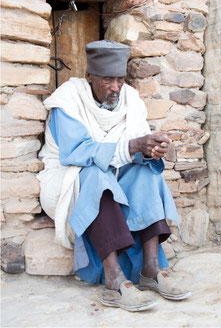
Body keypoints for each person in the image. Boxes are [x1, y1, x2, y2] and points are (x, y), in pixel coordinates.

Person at [37, 40, 191, 312]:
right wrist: (133, 147)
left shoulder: (130, 98)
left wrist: (151, 148)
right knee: (98, 177)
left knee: (146, 173)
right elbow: (76, 153)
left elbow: (136, 146)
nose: (115, 88)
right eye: (107, 80)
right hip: (68, 178)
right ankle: (113, 280)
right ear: (89, 77)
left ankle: (151, 270)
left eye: (119, 80)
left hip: (115, 172)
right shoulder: (68, 100)